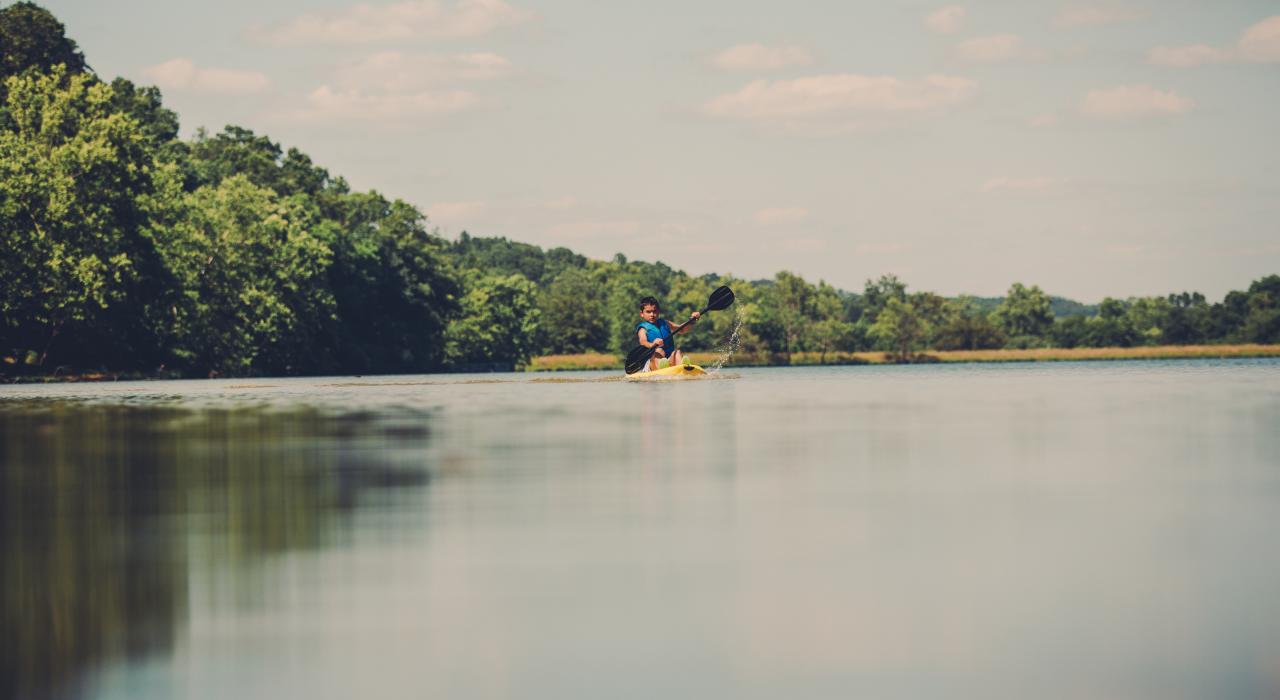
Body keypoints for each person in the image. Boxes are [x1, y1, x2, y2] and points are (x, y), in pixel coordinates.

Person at [635, 296, 700, 371]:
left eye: (654, 311)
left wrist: (691, 321)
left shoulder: (665, 323)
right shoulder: (643, 329)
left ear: (658, 311)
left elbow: (682, 330)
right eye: (648, 312)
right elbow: (643, 341)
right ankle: (662, 368)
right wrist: (652, 344)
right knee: (659, 351)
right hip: (652, 362)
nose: (652, 314)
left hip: (668, 359)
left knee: (677, 352)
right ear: (642, 314)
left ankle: (683, 368)